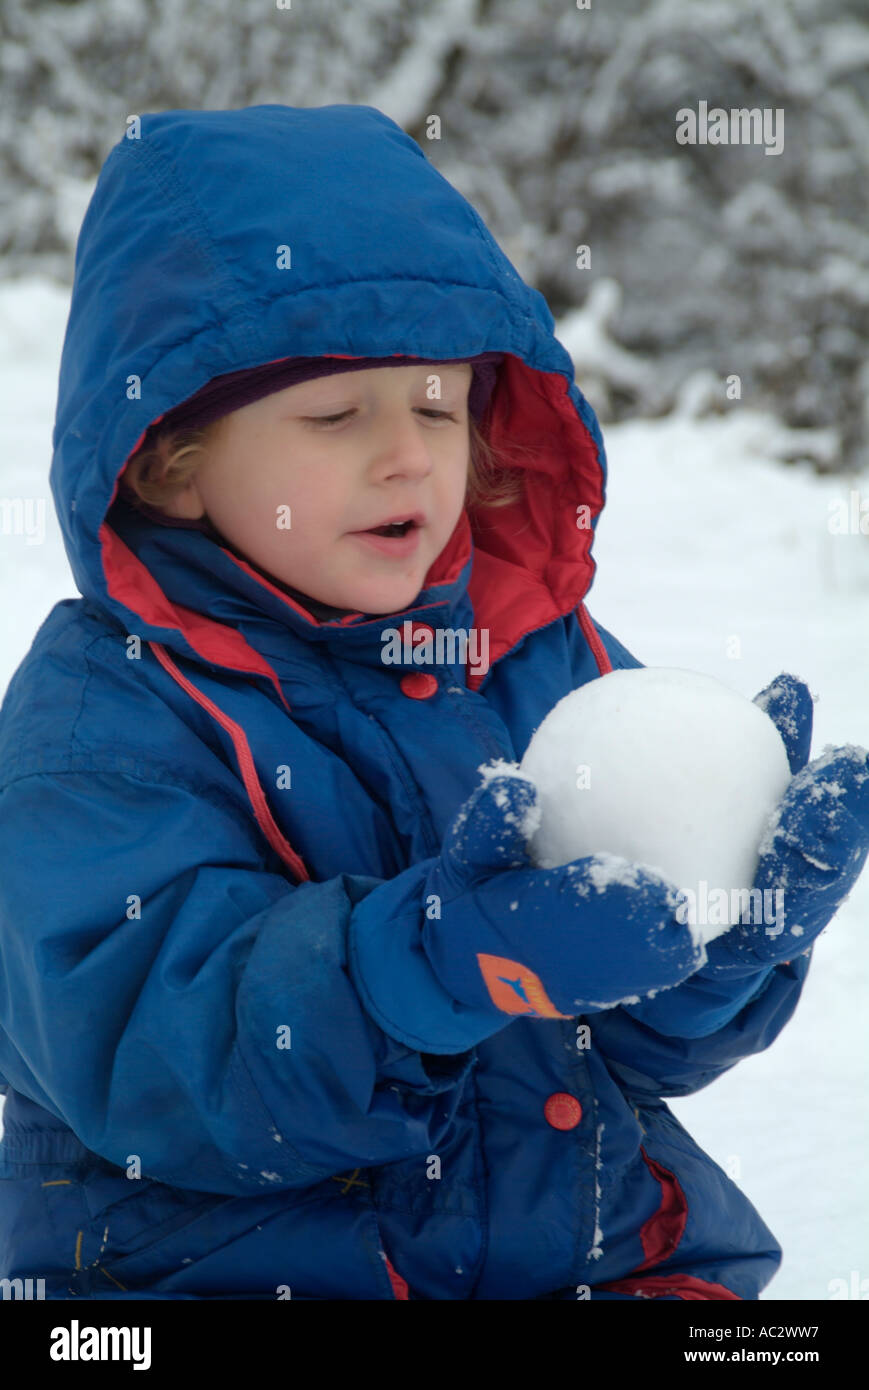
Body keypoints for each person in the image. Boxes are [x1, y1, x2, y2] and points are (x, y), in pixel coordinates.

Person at [0, 104, 866, 1302]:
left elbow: (622, 1039)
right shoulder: (101, 725)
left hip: (574, 1249)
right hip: (221, 1273)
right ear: (171, 461)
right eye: (334, 414)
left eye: (434, 404)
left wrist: (722, 941)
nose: (405, 455)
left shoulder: (531, 654)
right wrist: (436, 964)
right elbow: (160, 1065)